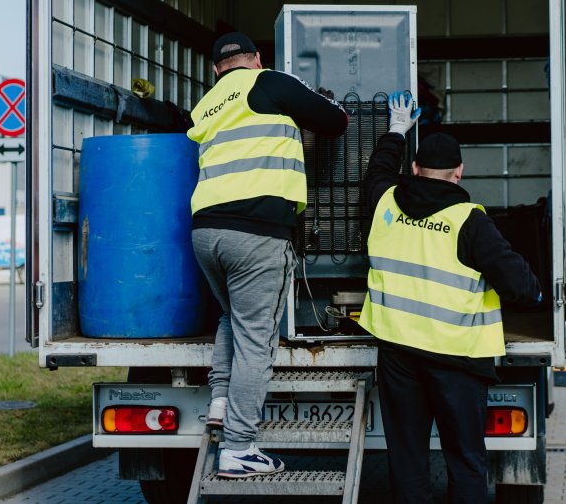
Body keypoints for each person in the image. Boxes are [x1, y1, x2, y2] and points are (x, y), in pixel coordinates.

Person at [359, 92, 542, 503]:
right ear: (459, 173)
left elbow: (378, 171)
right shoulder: (470, 221)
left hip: (398, 355)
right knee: (466, 461)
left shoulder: (385, 203)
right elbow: (522, 288)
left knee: (407, 460)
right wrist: (537, 295)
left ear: (415, 169)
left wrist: (396, 129)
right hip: (456, 361)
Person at [186, 31, 348, 478]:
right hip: (256, 233)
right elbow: (332, 121)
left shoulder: (207, 104)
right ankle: (239, 448)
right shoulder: (270, 81)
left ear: (216, 69)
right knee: (258, 340)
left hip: (206, 232)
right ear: (256, 59)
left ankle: (220, 402)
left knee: (229, 317)